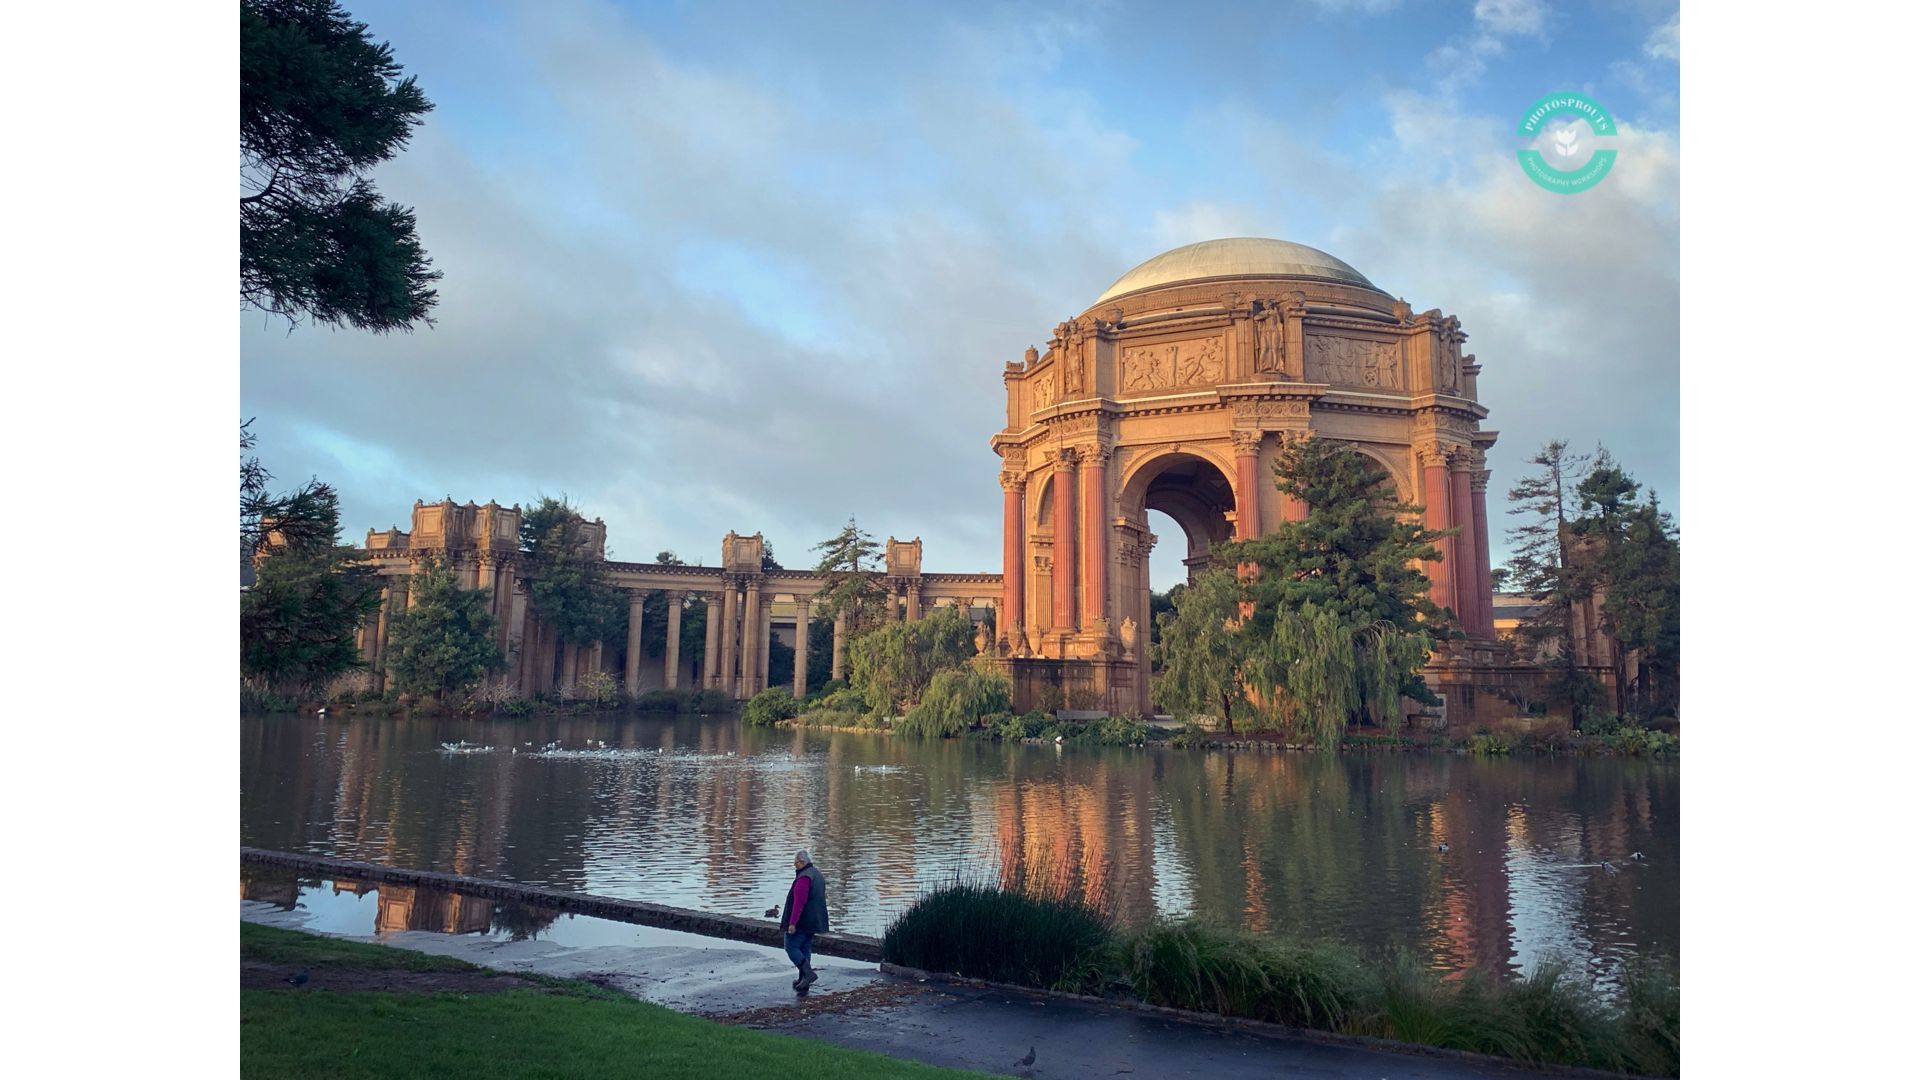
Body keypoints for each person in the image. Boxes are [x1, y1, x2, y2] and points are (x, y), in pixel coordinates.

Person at [779, 848, 829, 990]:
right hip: (814, 920)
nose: (795, 866)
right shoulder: (817, 874)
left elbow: (799, 902)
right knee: (805, 947)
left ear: (801, 862)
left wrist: (792, 923)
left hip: (803, 920)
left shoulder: (804, 878)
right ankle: (803, 979)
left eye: (795, 863)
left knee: (791, 947)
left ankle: (808, 974)